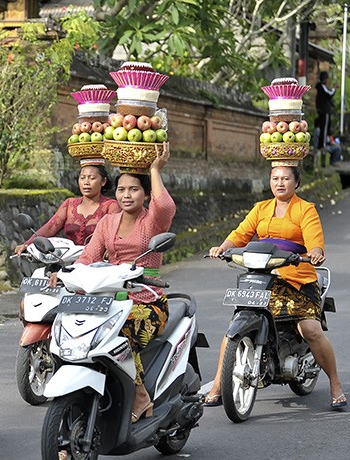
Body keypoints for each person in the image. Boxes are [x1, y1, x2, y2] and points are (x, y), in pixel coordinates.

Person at [205, 165, 345, 410]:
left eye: (286, 178)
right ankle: (218, 386)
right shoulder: (260, 208)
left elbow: (314, 240)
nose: (280, 183)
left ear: (296, 182)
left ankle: (335, 385)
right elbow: (241, 233)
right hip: (263, 277)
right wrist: (223, 248)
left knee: (310, 330)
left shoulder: (306, 209)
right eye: (275, 178)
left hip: (297, 280)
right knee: (234, 326)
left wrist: (314, 253)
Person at [52, 145, 175, 423]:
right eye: (121, 190)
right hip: (110, 298)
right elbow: (88, 257)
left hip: (147, 300)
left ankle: (140, 395)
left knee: (122, 329)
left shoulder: (153, 222)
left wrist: (154, 170)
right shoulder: (108, 222)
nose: (126, 195)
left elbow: (165, 205)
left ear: (145, 194)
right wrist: (66, 274)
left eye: (134, 190)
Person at [14, 163, 119, 255]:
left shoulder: (111, 206)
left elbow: (115, 237)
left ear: (103, 181)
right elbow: (50, 227)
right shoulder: (69, 204)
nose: (86, 182)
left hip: (98, 264)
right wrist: (28, 244)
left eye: (91, 178)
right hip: (67, 261)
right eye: (82, 178)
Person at [316, 71, 336, 150]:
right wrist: (334, 89)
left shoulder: (320, 87)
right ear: (324, 79)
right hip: (324, 111)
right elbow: (329, 94)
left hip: (322, 110)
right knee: (324, 128)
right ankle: (322, 145)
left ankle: (322, 144)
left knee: (324, 127)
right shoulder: (322, 87)